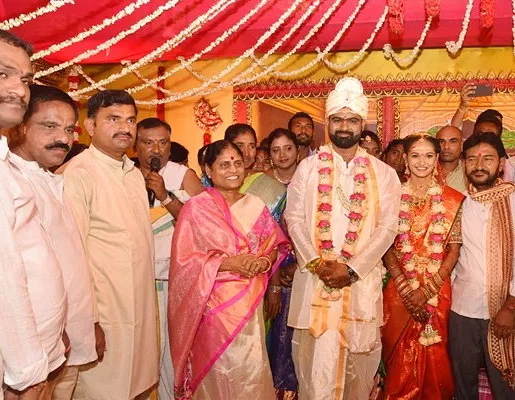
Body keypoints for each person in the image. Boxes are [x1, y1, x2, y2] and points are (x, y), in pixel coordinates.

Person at [285, 77, 401, 399]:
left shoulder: (384, 174)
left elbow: (387, 228)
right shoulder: (308, 169)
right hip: (315, 280)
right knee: (313, 368)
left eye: (351, 120)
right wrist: (316, 261)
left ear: (362, 124)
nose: (344, 126)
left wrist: (351, 269)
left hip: (359, 283)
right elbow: (293, 217)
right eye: (338, 119)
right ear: (329, 123)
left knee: (359, 372)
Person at [0, 25, 67, 398]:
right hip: (13, 372)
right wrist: (30, 373)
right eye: (1, 73)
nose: (19, 88)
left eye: (25, 78)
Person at [58, 90, 159, 399]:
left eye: (130, 120)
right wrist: (90, 321)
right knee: (104, 389)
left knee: (137, 385)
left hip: (139, 308)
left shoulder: (132, 173)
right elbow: (71, 255)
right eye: (113, 119)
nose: (124, 128)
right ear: (90, 126)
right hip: (104, 313)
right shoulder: (78, 174)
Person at [168, 140, 288, 399]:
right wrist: (228, 263)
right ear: (208, 170)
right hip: (212, 308)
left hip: (250, 304)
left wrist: (264, 262)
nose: (233, 169)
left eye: (237, 162)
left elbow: (273, 245)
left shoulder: (255, 204)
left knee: (251, 368)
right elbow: (185, 261)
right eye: (224, 164)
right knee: (219, 369)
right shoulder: (196, 208)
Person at [10, 84, 97, 398]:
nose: (64, 138)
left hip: (65, 335)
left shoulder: (49, 178)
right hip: (34, 344)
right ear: (19, 126)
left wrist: (88, 322)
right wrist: (53, 331)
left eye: (69, 129)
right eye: (49, 126)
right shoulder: (9, 182)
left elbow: (69, 260)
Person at [449, 132, 515, 400]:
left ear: (501, 163)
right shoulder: (458, 203)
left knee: (506, 388)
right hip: (462, 310)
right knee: (463, 386)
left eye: (487, 158)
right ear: (464, 164)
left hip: (502, 311)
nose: (479, 165)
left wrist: (509, 309)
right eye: (472, 159)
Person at [380, 134, 464, 399]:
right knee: (397, 354)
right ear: (405, 159)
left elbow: (454, 249)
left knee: (436, 351)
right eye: (415, 155)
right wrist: (406, 289)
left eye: (429, 155)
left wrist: (428, 289)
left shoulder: (452, 199)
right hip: (399, 287)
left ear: (437, 159)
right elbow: (385, 245)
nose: (422, 162)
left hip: (437, 290)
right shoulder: (391, 198)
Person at [134, 117, 204, 400]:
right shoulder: (123, 174)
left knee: (171, 354)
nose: (156, 150)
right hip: (134, 282)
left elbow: (202, 224)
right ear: (135, 145)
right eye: (148, 142)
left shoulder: (183, 175)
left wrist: (165, 196)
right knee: (138, 353)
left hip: (172, 281)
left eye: (163, 143)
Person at [263, 128, 300, 399]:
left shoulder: (312, 178)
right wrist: (274, 280)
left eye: (288, 148)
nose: (282, 155)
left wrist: (300, 263)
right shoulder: (261, 184)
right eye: (276, 150)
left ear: (298, 150)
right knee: (274, 332)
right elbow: (258, 234)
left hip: (308, 266)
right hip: (268, 268)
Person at [437, 125, 467, 193]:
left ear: (462, 146)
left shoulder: (469, 172)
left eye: (453, 141)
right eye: (441, 141)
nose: (446, 146)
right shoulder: (425, 171)